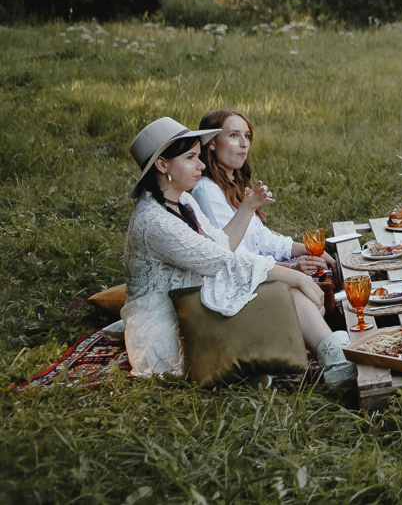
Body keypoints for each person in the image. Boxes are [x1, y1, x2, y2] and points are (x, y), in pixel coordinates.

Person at [120, 117, 355, 387]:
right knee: (281, 287)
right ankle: (331, 359)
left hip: (193, 303)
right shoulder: (154, 222)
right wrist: (297, 277)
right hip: (169, 327)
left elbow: (220, 245)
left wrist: (247, 207)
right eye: (190, 158)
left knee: (273, 285)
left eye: (199, 156)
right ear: (162, 165)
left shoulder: (181, 200)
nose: (200, 165)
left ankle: (327, 356)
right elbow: (223, 263)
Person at [192, 109, 334, 275]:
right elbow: (234, 257)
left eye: (247, 135)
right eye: (233, 136)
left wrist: (307, 250)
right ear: (212, 143)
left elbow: (260, 238)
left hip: (260, 269)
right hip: (240, 279)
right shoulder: (206, 191)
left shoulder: (234, 182)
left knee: (328, 268)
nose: (244, 143)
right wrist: (292, 269)